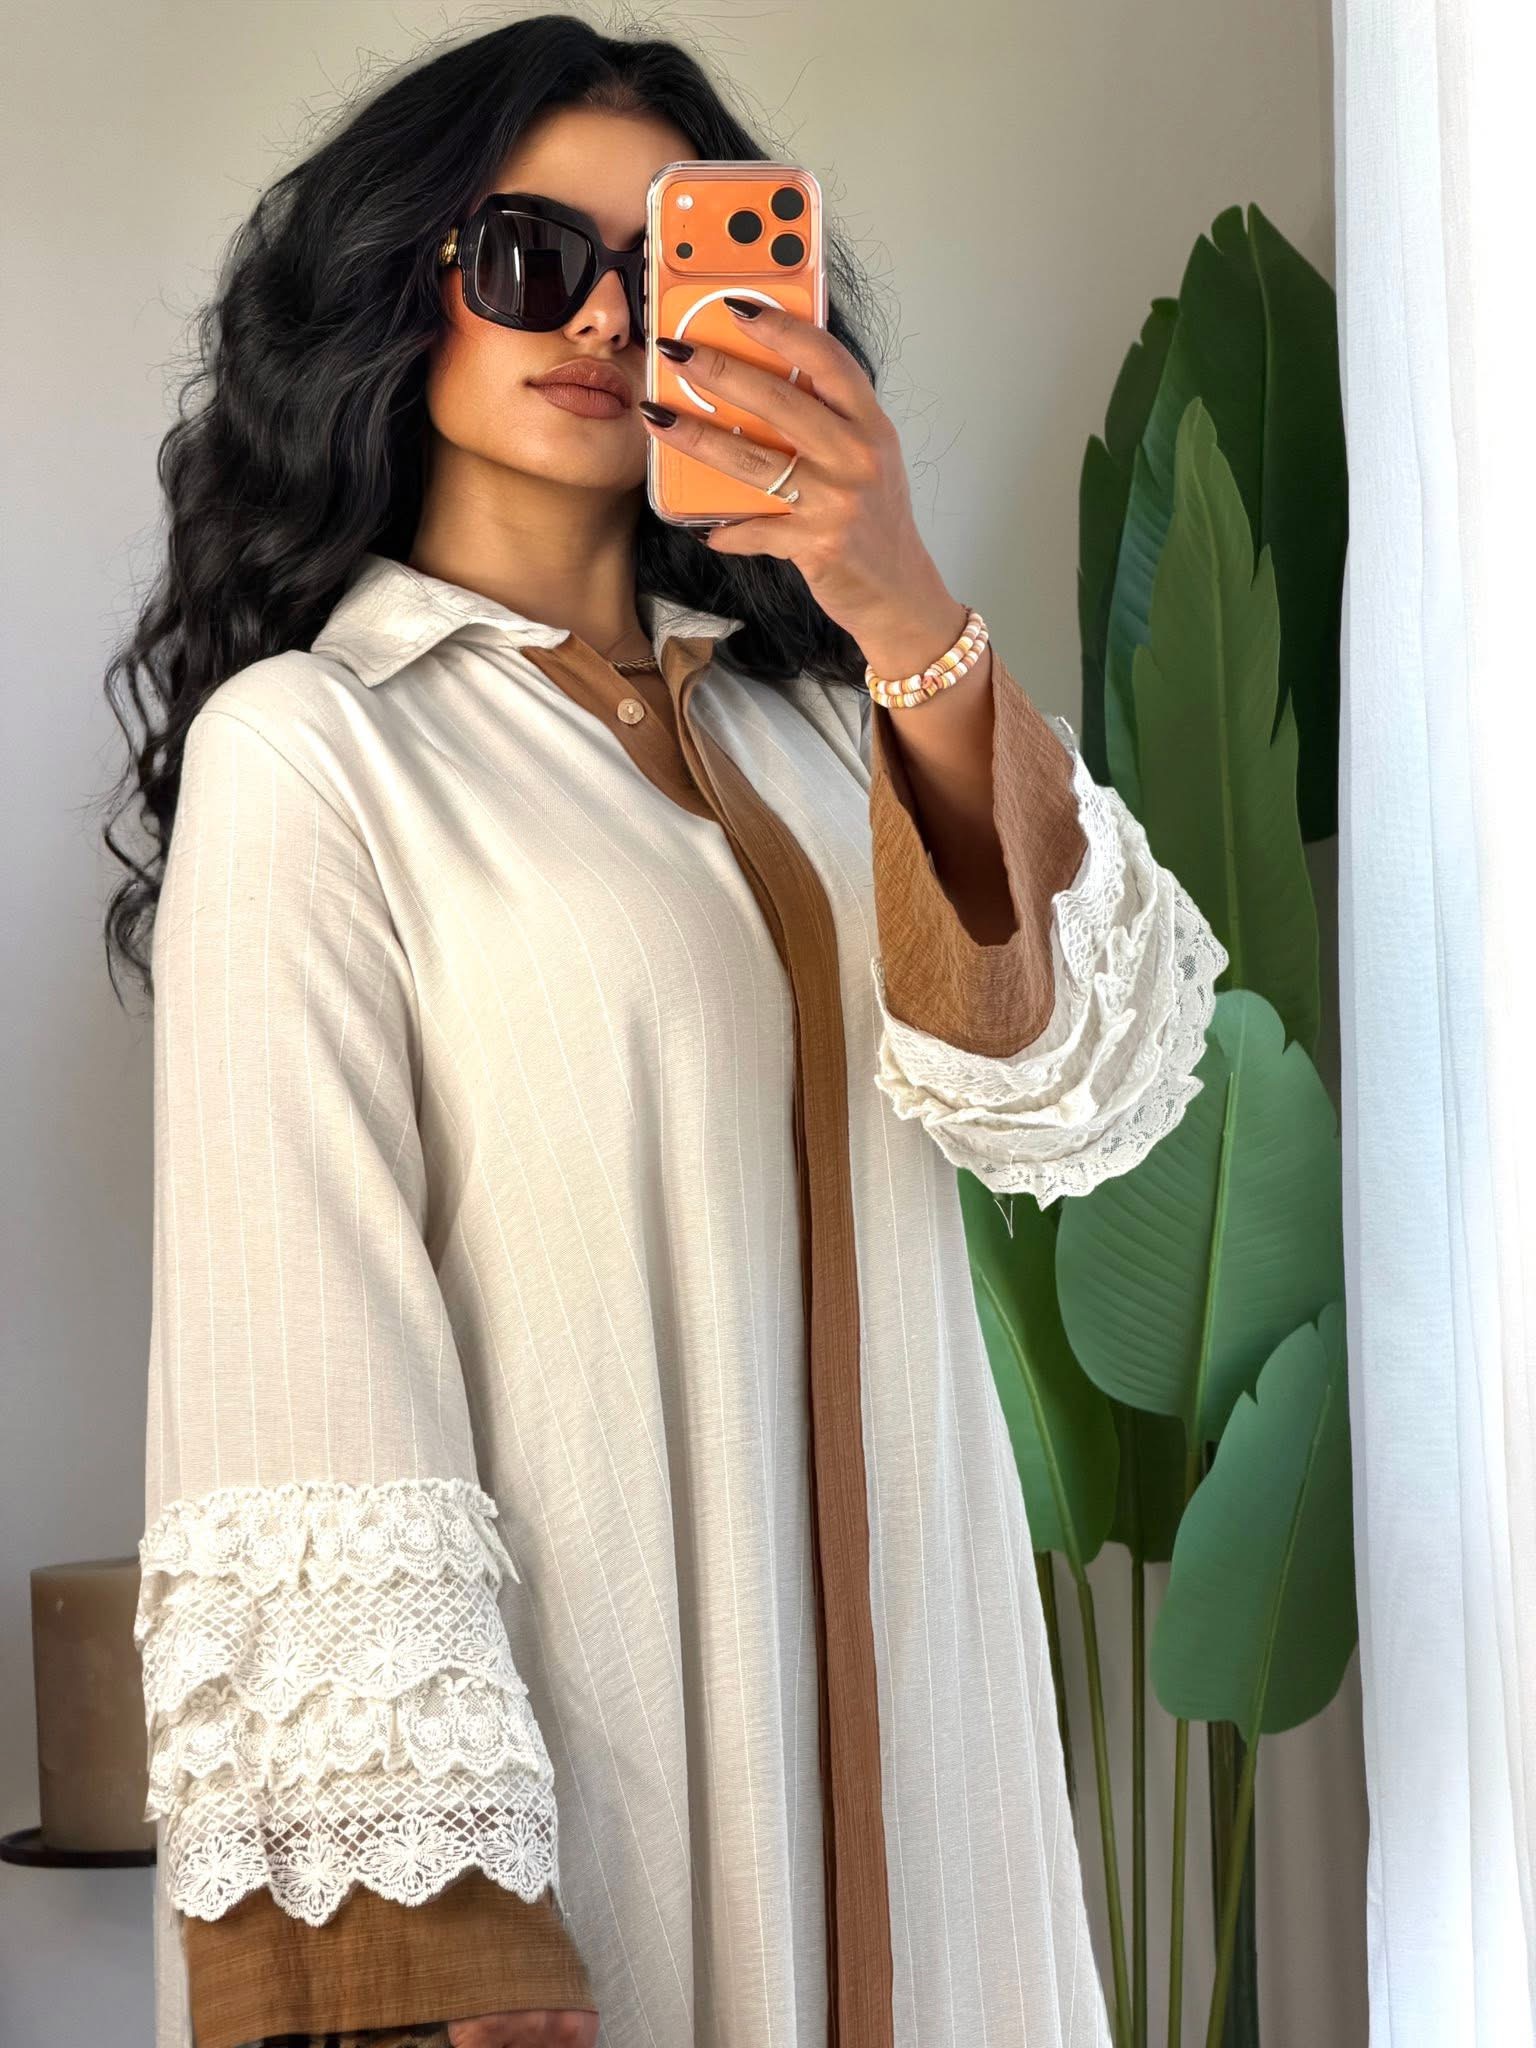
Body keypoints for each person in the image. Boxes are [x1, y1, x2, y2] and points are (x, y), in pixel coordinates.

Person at [101, 16, 1227, 2048]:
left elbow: (1057, 1083)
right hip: (606, 1825)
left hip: (932, 1782)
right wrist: (452, 1945)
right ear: (399, 285)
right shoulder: (321, 754)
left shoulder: (829, 738)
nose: (606, 318)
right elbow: (305, 1365)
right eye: (531, 257)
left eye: (672, 266)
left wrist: (901, 606)